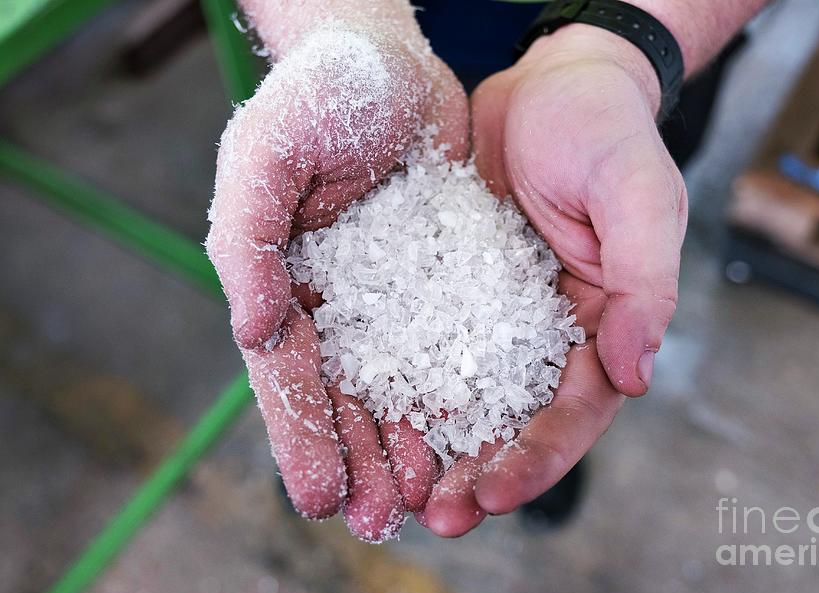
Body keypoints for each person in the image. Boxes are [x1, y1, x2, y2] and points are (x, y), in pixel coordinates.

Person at [205, 0, 767, 542]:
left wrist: (632, 38)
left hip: (617, 80)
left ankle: (541, 467)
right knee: (327, 410)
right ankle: (351, 446)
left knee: (598, 264)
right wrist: (337, 24)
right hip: (394, 67)